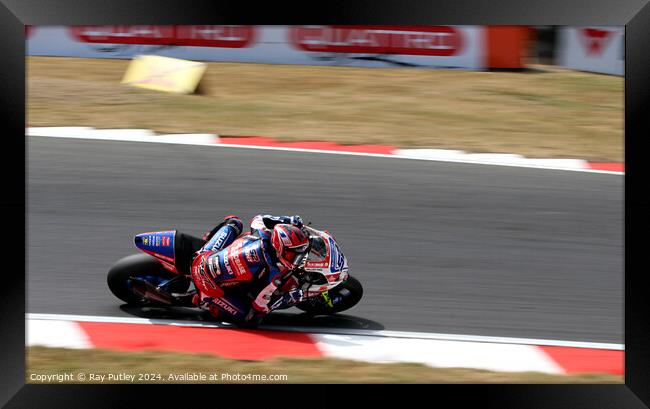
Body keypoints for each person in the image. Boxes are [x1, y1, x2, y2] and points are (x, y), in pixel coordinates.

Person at [189, 214, 310, 326]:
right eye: (292, 255)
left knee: (234, 222)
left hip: (203, 256)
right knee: (249, 319)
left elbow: (258, 218)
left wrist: (288, 220)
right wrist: (286, 299)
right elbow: (259, 307)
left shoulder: (262, 234)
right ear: (280, 248)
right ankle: (207, 303)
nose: (296, 259)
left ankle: (208, 239)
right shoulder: (273, 275)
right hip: (208, 284)